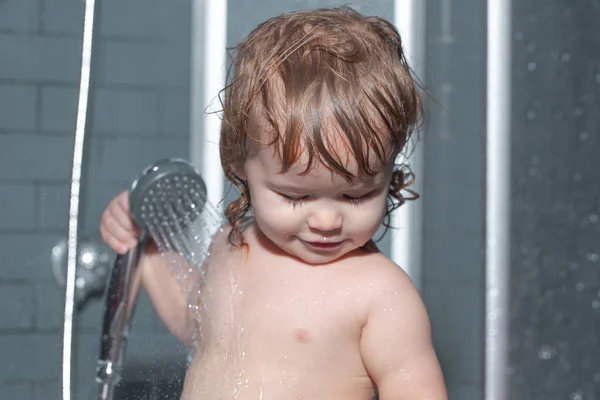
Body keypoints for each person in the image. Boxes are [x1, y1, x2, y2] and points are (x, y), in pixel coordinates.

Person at [100, 7, 447, 400]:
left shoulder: (380, 293)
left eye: (357, 194)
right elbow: (200, 327)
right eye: (295, 196)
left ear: (388, 174)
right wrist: (146, 246)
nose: (327, 220)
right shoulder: (232, 248)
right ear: (239, 163)